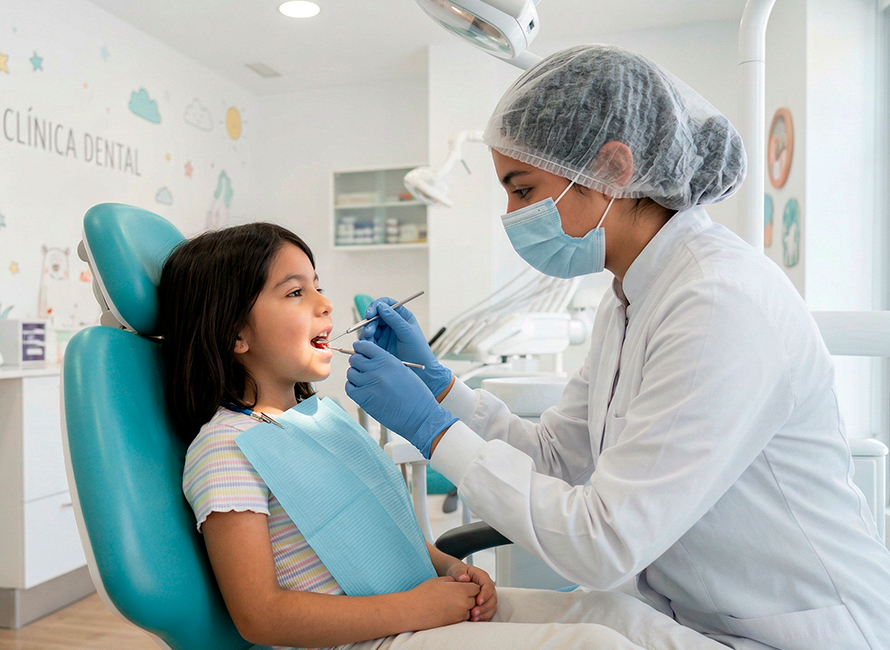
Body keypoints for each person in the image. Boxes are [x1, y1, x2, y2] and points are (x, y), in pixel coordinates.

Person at [345, 45, 890, 650]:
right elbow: (559, 457)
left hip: (801, 633)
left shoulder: (715, 302)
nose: (512, 214)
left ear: (612, 167)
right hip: (700, 615)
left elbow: (603, 544)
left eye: (522, 190)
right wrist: (442, 389)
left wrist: (433, 432)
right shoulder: (630, 294)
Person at [157, 222, 725, 650]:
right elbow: (260, 615)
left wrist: (446, 570)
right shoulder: (225, 449)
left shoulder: (323, 420)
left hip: (415, 612)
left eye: (318, 286)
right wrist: (419, 608)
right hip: (370, 639)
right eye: (295, 292)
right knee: (593, 647)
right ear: (235, 332)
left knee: (614, 617)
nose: (325, 303)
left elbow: (382, 537)